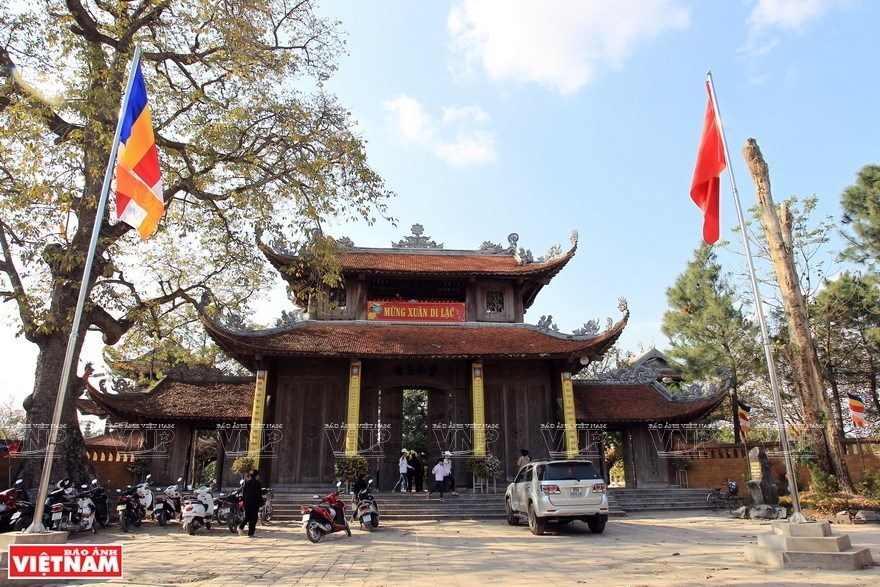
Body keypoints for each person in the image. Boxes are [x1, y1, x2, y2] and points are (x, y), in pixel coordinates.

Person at [238, 469, 262, 537]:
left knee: (248, 516)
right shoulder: (257, 483)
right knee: (254, 518)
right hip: (254, 503)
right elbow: (258, 494)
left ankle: (241, 527)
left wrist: (243, 500)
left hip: (247, 502)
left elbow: (244, 492)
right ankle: (250, 533)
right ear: (256, 475)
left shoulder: (247, 482)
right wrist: (261, 502)